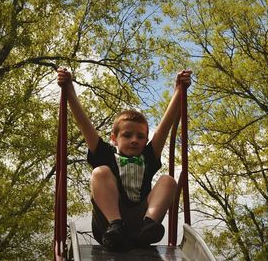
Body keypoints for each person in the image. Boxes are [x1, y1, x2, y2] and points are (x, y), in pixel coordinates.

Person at [57, 68, 192, 251]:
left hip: (140, 224)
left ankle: (149, 225)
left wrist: (178, 90)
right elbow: (83, 123)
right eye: (127, 135)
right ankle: (116, 225)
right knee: (100, 172)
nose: (134, 140)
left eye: (140, 136)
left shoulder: (148, 157)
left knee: (168, 180)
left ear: (146, 140)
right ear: (114, 139)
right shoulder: (105, 153)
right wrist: (68, 87)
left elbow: (165, 125)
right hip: (107, 225)